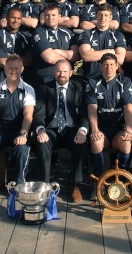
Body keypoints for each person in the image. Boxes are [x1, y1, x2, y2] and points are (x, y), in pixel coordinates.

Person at [0, 54, 35, 201]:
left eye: (17, 68)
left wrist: (23, 134)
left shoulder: (28, 90)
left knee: (23, 150)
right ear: (5, 69)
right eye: (10, 68)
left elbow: (28, 115)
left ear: (22, 69)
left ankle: (19, 186)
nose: (13, 71)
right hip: (0, 128)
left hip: (19, 128)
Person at [32, 60, 89, 201]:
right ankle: (45, 184)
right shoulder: (44, 88)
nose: (61, 74)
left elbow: (84, 115)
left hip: (72, 130)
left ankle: (77, 185)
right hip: (51, 130)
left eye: (64, 71)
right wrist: (40, 130)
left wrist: (82, 131)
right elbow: (39, 115)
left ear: (71, 73)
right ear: (54, 72)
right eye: (58, 71)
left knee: (81, 144)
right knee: (42, 143)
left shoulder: (79, 88)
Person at [86, 53, 132, 199]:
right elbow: (91, 108)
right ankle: (99, 183)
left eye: (112, 65)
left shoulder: (125, 82)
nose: (109, 68)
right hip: (102, 128)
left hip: (118, 128)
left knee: (126, 141)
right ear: (101, 67)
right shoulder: (93, 83)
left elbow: (128, 108)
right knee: (96, 141)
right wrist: (94, 129)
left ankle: (122, 183)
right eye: (106, 65)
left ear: (117, 66)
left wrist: (129, 129)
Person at [78, 3, 126, 82]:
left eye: (106, 15)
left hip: (111, 80)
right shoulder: (86, 34)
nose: (103, 18)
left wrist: (94, 53)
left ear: (111, 17)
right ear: (96, 16)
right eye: (100, 15)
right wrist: (109, 52)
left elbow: (120, 59)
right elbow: (86, 56)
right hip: (91, 79)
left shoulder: (118, 35)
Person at [32, 3, 78, 83]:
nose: (50, 18)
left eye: (53, 15)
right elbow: (49, 57)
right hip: (46, 78)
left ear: (59, 16)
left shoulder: (67, 33)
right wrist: (68, 60)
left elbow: (76, 55)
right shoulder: (39, 32)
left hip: (65, 78)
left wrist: (57, 51)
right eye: (47, 15)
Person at [0, 7, 33, 82]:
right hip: (4, 81)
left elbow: (30, 61)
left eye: (18, 18)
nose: (16, 21)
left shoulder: (26, 37)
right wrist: (22, 59)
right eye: (13, 18)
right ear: (7, 18)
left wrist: (10, 56)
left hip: (24, 82)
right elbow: (2, 61)